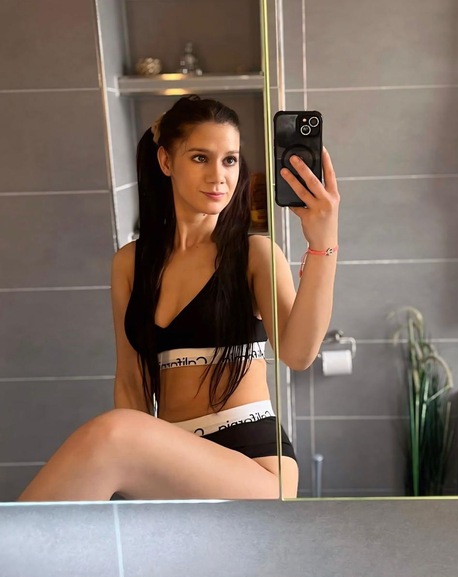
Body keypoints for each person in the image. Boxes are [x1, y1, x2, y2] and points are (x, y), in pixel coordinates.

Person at [18, 95, 340, 501]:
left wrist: (323, 243)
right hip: (169, 460)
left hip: (253, 462)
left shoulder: (255, 254)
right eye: (201, 158)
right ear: (166, 161)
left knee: (113, 433)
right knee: (119, 436)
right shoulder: (130, 264)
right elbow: (131, 381)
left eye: (230, 160)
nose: (219, 176)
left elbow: (298, 354)